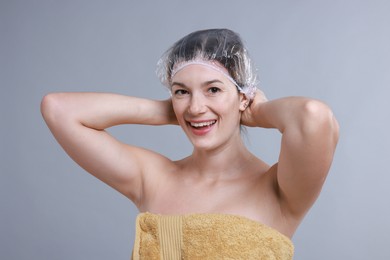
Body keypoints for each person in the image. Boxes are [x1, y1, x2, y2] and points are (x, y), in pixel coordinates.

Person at [41, 28, 339, 259]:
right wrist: (168, 111)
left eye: (213, 89)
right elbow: (58, 109)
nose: (196, 107)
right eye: (182, 91)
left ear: (244, 96)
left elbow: (313, 117)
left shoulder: (278, 190)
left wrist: (257, 112)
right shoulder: (152, 177)